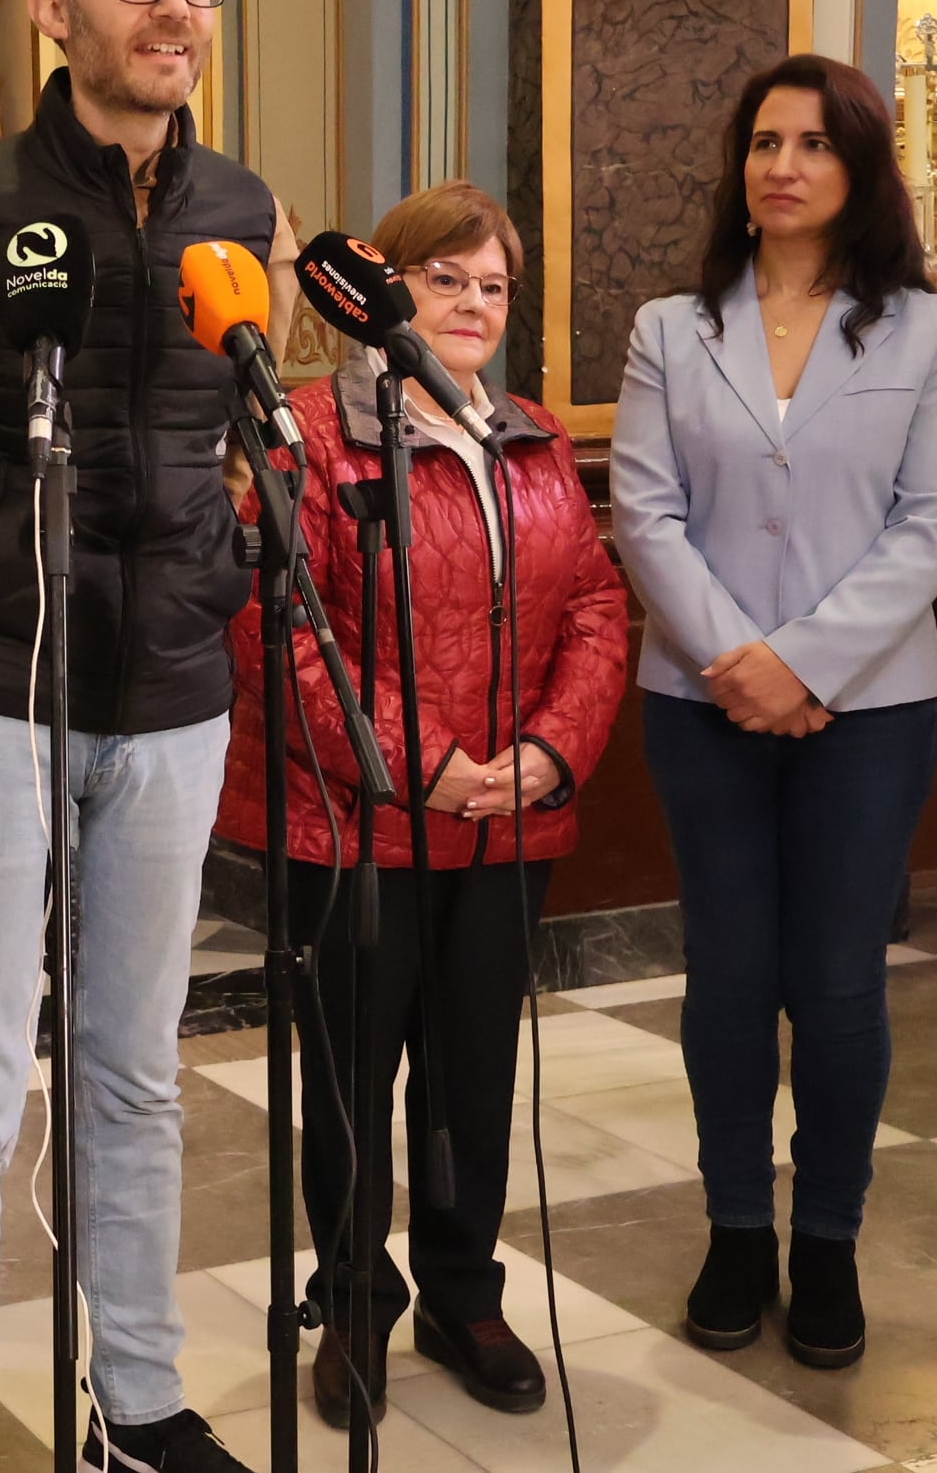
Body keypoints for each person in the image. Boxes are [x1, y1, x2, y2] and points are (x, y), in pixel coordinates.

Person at [0, 0, 298, 1473]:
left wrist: (203, 585)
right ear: (54, 7)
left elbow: (249, 433)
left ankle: (145, 1399)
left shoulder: (246, 212)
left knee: (137, 1073)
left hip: (172, 698)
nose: (174, 7)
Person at [215, 182, 627, 1425]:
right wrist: (425, 761)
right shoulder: (305, 435)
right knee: (353, 1082)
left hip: (510, 820)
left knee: (474, 1072)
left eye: (494, 285)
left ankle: (462, 1293)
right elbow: (280, 629)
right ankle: (352, 1303)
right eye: (446, 278)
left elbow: (596, 603)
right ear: (381, 288)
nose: (473, 304)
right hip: (355, 822)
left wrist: (549, 751)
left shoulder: (532, 438)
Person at [610, 53, 937, 1370]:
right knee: (727, 976)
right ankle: (735, 1228)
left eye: (815, 143)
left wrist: (807, 666)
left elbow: (932, 520)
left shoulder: (926, 330)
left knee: (835, 981)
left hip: (867, 711)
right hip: (700, 699)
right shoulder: (672, 327)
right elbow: (644, 509)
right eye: (766, 141)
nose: (784, 165)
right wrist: (739, 660)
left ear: (859, 166)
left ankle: (826, 1236)